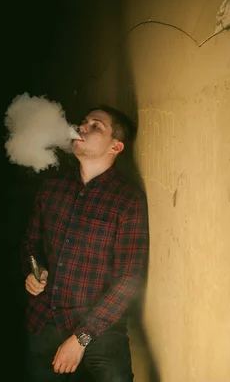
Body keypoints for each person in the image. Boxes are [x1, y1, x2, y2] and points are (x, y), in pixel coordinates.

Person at [21, 105, 149, 382]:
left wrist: (81, 338)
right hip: (43, 323)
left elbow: (129, 278)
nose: (82, 127)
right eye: (84, 122)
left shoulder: (128, 201)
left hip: (101, 330)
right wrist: (33, 271)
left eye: (96, 126)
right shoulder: (51, 188)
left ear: (116, 146)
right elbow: (30, 243)